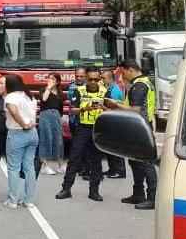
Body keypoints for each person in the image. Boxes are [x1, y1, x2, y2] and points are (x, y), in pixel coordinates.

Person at [109, 58, 159, 210]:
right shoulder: (146, 82)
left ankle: (152, 198)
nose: (123, 77)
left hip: (140, 127)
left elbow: (135, 109)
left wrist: (115, 105)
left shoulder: (139, 85)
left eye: (123, 73)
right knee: (135, 161)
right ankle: (138, 194)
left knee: (146, 163)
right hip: (140, 126)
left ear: (130, 69)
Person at [56, 67, 107, 202]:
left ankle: (94, 191)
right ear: (86, 79)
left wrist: (104, 108)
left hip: (99, 128)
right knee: (74, 158)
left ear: (100, 79)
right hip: (82, 128)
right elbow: (72, 110)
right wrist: (86, 108)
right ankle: (66, 189)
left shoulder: (105, 91)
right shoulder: (79, 91)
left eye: (96, 79)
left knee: (96, 161)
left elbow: (112, 108)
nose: (93, 82)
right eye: (90, 79)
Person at [3, 74, 39, 208]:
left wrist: (23, 123)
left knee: (13, 168)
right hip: (33, 133)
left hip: (17, 133)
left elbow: (13, 110)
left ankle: (13, 200)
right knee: (29, 167)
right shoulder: (29, 96)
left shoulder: (11, 96)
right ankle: (28, 200)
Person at [101, 69, 127, 179]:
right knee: (109, 147)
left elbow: (116, 108)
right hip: (110, 120)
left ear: (110, 78)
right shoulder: (109, 88)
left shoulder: (115, 91)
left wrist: (103, 108)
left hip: (115, 121)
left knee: (116, 147)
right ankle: (112, 169)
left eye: (104, 78)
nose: (102, 80)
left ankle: (120, 171)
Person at [38, 74, 65, 175]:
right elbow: (44, 99)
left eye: (53, 79)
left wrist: (59, 118)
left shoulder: (60, 93)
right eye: (49, 78)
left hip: (56, 116)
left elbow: (61, 109)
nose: (50, 80)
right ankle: (45, 165)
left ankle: (60, 165)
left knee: (59, 141)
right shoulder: (43, 90)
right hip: (45, 116)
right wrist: (48, 88)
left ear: (57, 82)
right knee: (46, 139)